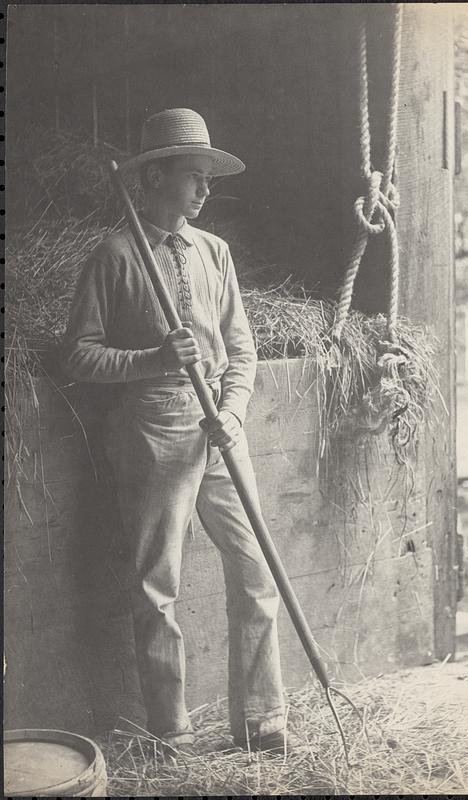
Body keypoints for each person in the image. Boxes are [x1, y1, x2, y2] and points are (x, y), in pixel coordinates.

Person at [62, 108, 291, 755]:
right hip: (154, 427)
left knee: (256, 570)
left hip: (219, 426)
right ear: (155, 177)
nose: (206, 190)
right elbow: (78, 355)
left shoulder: (215, 253)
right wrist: (153, 360)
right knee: (157, 587)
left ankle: (263, 719)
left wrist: (234, 412)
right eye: (195, 176)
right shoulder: (113, 257)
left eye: (210, 179)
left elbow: (242, 350)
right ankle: (174, 732)